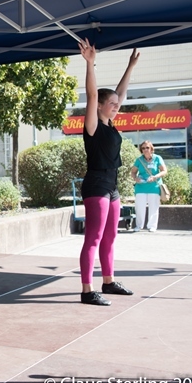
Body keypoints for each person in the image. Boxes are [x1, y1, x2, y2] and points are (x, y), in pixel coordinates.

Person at [77, 38, 139, 307]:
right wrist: (90, 64)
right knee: (93, 237)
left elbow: (120, 93)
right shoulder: (93, 126)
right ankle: (87, 290)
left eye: (117, 103)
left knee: (111, 236)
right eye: (112, 103)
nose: (117, 106)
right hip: (96, 184)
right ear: (100, 106)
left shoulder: (111, 123)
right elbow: (92, 95)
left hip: (112, 185)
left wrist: (130, 66)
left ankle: (109, 281)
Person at [130, 141, 167, 232]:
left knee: (154, 207)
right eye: (143, 148)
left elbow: (164, 171)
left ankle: (152, 226)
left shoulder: (157, 158)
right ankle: (139, 226)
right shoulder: (139, 160)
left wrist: (155, 177)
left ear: (151, 148)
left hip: (154, 186)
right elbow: (133, 172)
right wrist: (135, 178)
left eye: (147, 147)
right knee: (139, 207)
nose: (145, 150)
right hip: (141, 186)